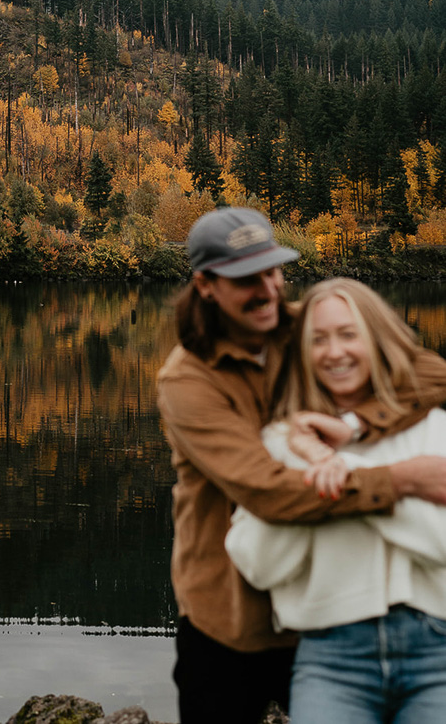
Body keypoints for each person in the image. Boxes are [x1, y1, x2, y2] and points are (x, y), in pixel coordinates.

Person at [156, 207, 446, 724]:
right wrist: (402, 480)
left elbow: (428, 373)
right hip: (232, 617)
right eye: (246, 278)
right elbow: (267, 490)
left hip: (330, 607)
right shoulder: (187, 381)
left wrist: (357, 423)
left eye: (272, 270)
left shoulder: (308, 330)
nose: (268, 289)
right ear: (205, 285)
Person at [226, 278, 446, 723]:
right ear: (303, 353)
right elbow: (259, 564)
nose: (334, 352)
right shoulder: (284, 443)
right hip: (332, 659)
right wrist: (399, 483)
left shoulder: (433, 428)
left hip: (438, 651)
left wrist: (340, 483)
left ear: (377, 338)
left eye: (348, 334)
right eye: (318, 339)